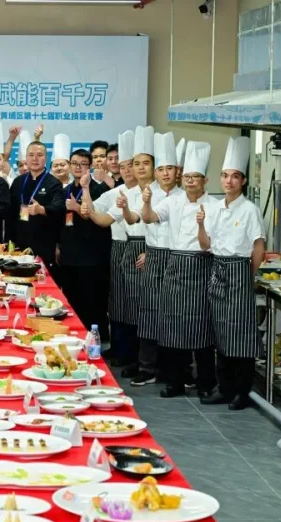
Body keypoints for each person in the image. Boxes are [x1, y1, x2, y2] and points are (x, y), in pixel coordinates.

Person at [137, 140, 217, 398]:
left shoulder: (215, 205)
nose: (191, 181)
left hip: (201, 266)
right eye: (188, 176)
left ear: (205, 180)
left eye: (196, 177)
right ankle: (175, 381)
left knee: (201, 327)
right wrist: (146, 202)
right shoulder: (173, 202)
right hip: (174, 266)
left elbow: (212, 243)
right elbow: (149, 217)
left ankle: (205, 382)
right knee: (173, 327)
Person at [200, 136, 265, 410]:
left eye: (235, 176)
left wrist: (248, 275)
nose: (228, 181)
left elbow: (258, 248)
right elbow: (206, 243)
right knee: (221, 332)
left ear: (243, 181)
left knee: (241, 334)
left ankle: (242, 391)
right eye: (225, 176)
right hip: (218, 268)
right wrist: (200, 226)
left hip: (239, 270)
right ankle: (223, 388)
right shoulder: (214, 208)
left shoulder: (250, 210)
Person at [119, 132, 184, 387]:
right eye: (161, 169)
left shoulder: (184, 196)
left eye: (170, 169)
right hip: (154, 256)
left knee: (175, 315)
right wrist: (125, 207)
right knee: (148, 313)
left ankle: (174, 370)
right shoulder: (147, 192)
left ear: (177, 172)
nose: (165, 174)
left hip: (178, 258)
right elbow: (135, 219)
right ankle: (147, 367)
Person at [89, 130, 141, 371]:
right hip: (119, 248)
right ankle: (121, 349)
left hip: (140, 249)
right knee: (118, 301)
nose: (128, 170)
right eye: (123, 166)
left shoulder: (148, 192)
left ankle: (135, 356)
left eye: (132, 165)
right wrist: (85, 195)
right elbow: (94, 213)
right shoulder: (116, 193)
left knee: (136, 304)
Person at [58, 148, 111, 329]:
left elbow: (96, 217)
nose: (78, 167)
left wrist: (76, 207)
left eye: (83, 164)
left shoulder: (99, 189)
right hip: (69, 254)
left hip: (91, 255)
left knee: (92, 301)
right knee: (71, 298)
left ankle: (96, 337)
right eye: (74, 163)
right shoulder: (65, 190)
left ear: (89, 167)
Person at [6, 141, 64, 268]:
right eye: (31, 155)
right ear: (26, 158)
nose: (35, 159)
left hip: (44, 242)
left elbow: (59, 208)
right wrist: (8, 242)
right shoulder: (18, 181)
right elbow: (10, 214)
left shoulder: (54, 183)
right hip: (19, 242)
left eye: (39, 155)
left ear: (46, 158)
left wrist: (41, 209)